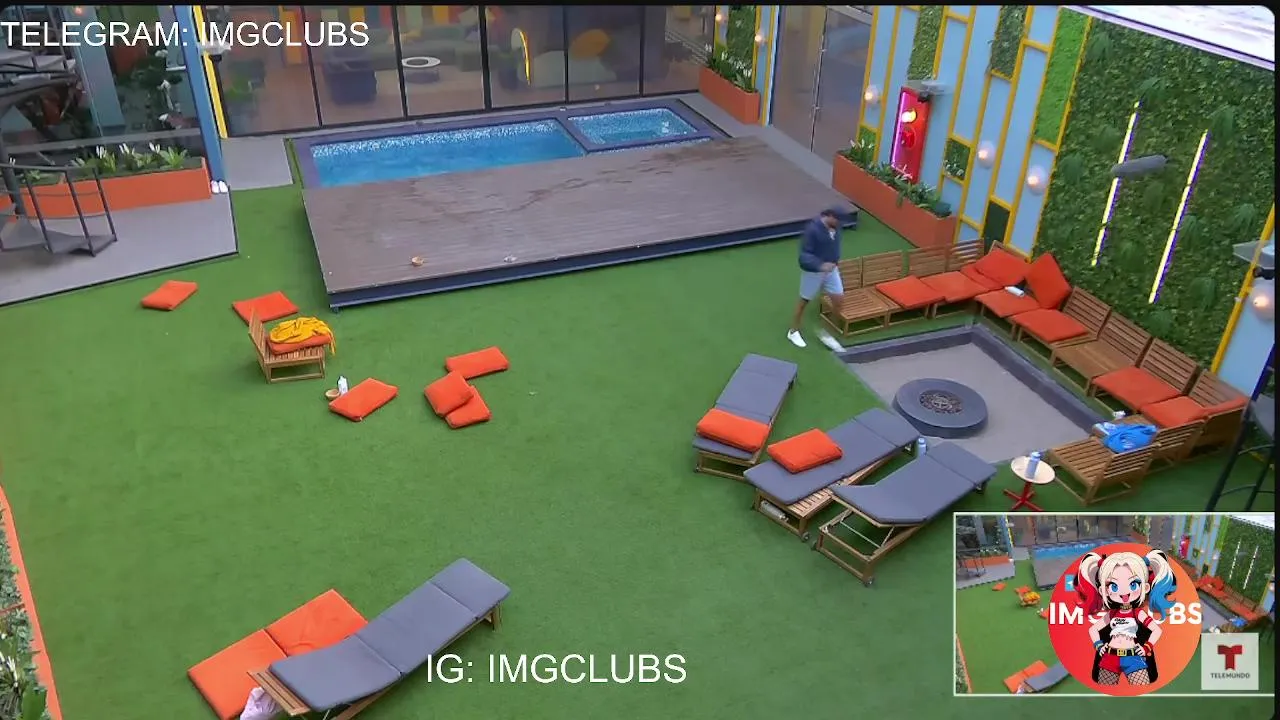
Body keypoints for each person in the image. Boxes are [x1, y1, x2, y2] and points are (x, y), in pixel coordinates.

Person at [787, 207, 848, 349]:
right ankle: (793, 331)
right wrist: (820, 265)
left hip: (832, 271)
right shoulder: (812, 230)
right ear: (831, 216)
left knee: (839, 300)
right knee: (804, 301)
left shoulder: (836, 228)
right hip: (813, 272)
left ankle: (826, 333)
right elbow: (804, 256)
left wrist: (833, 262)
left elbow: (834, 247)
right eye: (838, 221)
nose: (840, 224)